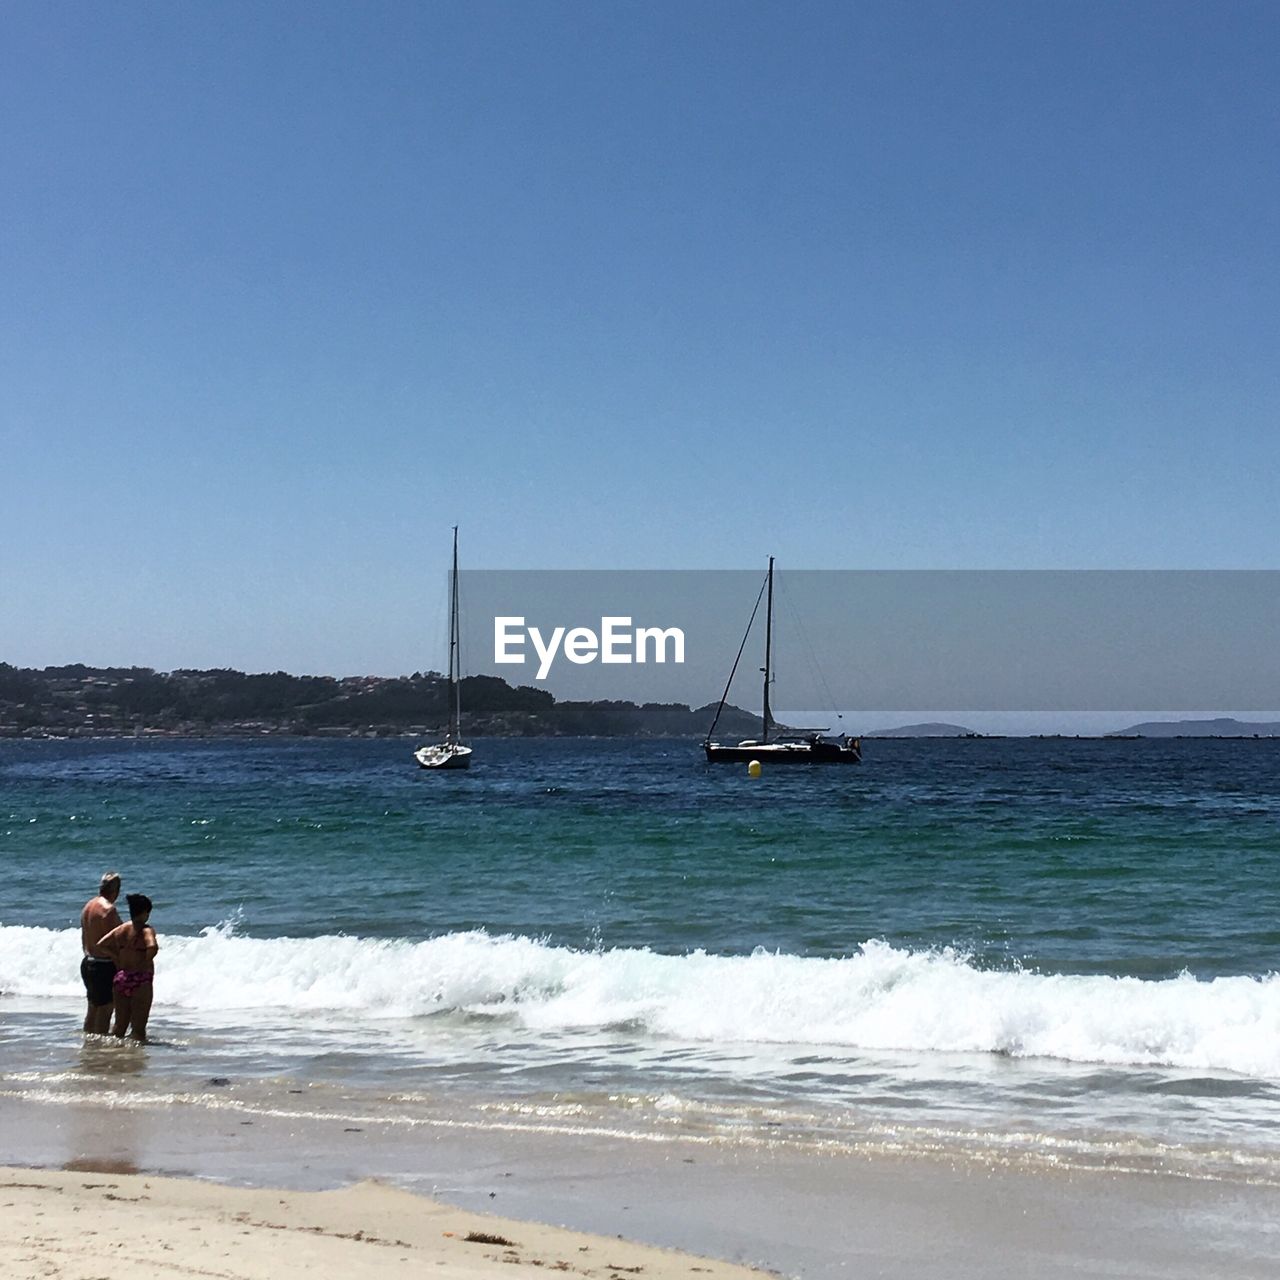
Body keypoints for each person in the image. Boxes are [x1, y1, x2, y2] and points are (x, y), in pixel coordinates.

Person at [98, 893, 159, 1043]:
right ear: (145, 913)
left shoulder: (122, 929)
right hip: (140, 979)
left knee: (119, 1026)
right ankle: (134, 1058)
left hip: (122, 978)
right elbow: (152, 946)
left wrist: (117, 957)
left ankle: (115, 1054)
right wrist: (145, 961)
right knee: (138, 1029)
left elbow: (101, 944)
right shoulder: (146, 930)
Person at [80, 872, 123, 1035]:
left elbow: (85, 938)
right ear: (116, 890)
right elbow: (117, 938)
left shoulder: (88, 906)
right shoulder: (109, 910)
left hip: (88, 961)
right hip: (104, 965)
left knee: (92, 1008)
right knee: (105, 1010)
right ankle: (99, 1049)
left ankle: (89, 1044)